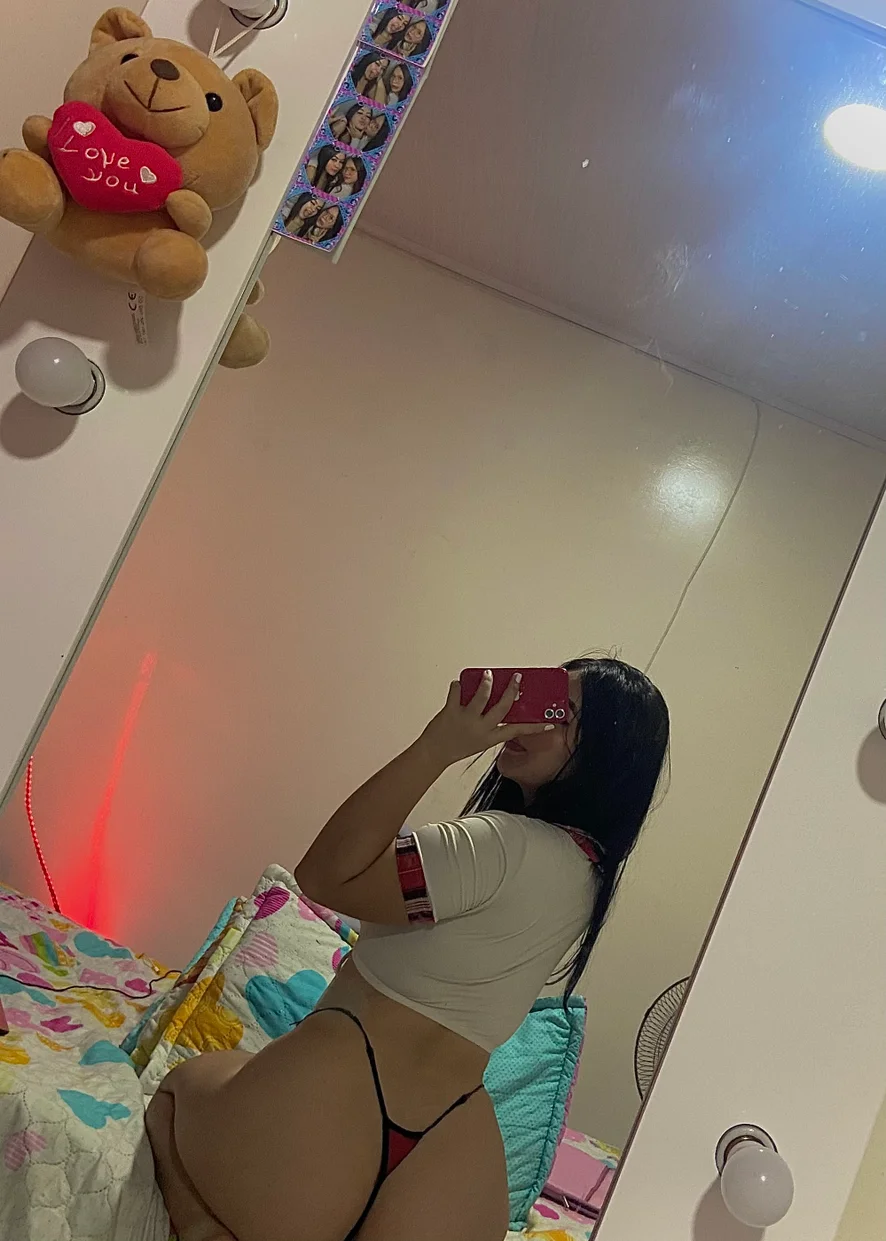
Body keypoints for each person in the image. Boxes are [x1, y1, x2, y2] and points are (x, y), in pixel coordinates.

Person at [145, 658, 669, 1241]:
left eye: (562, 717)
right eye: (543, 704)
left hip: (330, 1097)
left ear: (604, 757)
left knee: (178, 1088)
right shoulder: (588, 878)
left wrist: (436, 746)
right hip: (450, 1138)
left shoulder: (496, 842)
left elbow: (323, 876)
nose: (532, 723)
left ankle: (204, 1227)